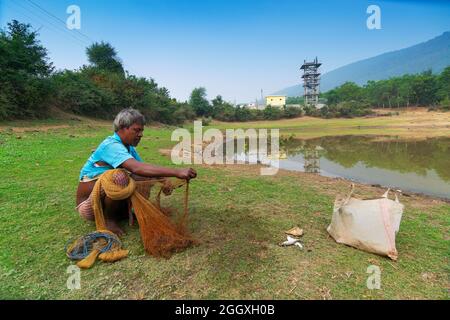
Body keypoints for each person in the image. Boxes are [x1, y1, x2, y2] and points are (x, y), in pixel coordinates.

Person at [75, 108, 197, 235]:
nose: (141, 134)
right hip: (89, 207)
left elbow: (143, 170)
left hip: (104, 202)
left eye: (142, 130)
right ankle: (109, 221)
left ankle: (123, 213)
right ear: (122, 128)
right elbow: (137, 168)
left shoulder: (128, 147)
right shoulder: (111, 145)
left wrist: (164, 180)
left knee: (144, 177)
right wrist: (177, 172)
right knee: (119, 176)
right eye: (136, 130)